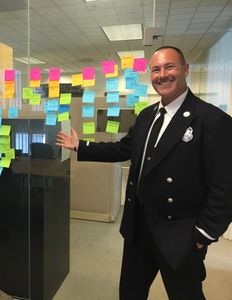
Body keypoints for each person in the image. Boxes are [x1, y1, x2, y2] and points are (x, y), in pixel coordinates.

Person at [56, 46, 232, 299]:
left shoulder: (212, 120)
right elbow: (122, 149)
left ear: (185, 69)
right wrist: (81, 146)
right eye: (156, 69)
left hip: (180, 233)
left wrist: (203, 235)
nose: (162, 75)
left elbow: (224, 185)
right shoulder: (147, 116)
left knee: (186, 295)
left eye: (169, 67)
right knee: (130, 292)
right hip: (139, 227)